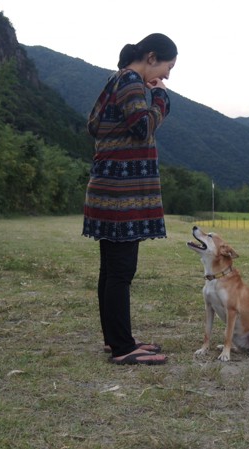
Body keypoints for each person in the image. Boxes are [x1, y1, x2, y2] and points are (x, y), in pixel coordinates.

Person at [82, 33, 177, 365]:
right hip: (122, 197)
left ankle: (116, 340)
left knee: (111, 271)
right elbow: (142, 127)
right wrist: (161, 100)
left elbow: (94, 125)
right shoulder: (133, 82)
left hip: (107, 193)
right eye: (165, 70)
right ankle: (123, 349)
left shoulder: (117, 80)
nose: (164, 78)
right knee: (120, 271)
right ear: (151, 57)